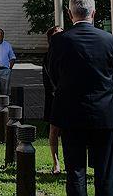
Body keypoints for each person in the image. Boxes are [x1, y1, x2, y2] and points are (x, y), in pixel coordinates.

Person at [48, 0, 113, 196]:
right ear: (94, 13)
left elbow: (54, 74)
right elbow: (111, 73)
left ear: (70, 14)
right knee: (105, 171)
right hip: (103, 110)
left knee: (75, 171)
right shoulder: (110, 39)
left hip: (71, 111)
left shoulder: (59, 40)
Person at [42, 25, 64, 174]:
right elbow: (48, 80)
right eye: (57, 33)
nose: (60, 35)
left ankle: (69, 160)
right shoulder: (48, 56)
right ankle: (56, 163)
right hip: (54, 97)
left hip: (69, 97)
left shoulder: (71, 52)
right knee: (54, 129)